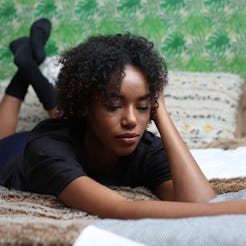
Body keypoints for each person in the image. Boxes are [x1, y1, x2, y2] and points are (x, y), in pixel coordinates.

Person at [0, 33, 246, 219]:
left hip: (76, 137)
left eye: (142, 106)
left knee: (71, 119)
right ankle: (25, 70)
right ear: (85, 104)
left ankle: (29, 64)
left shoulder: (145, 147)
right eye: (113, 105)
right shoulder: (47, 147)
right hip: (13, 153)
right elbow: (120, 208)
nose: (131, 120)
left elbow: (199, 201)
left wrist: (159, 110)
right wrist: (236, 208)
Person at [0, 18, 58, 171]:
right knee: (74, 133)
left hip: (13, 150)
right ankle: (27, 65)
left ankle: (26, 65)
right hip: (40, 154)